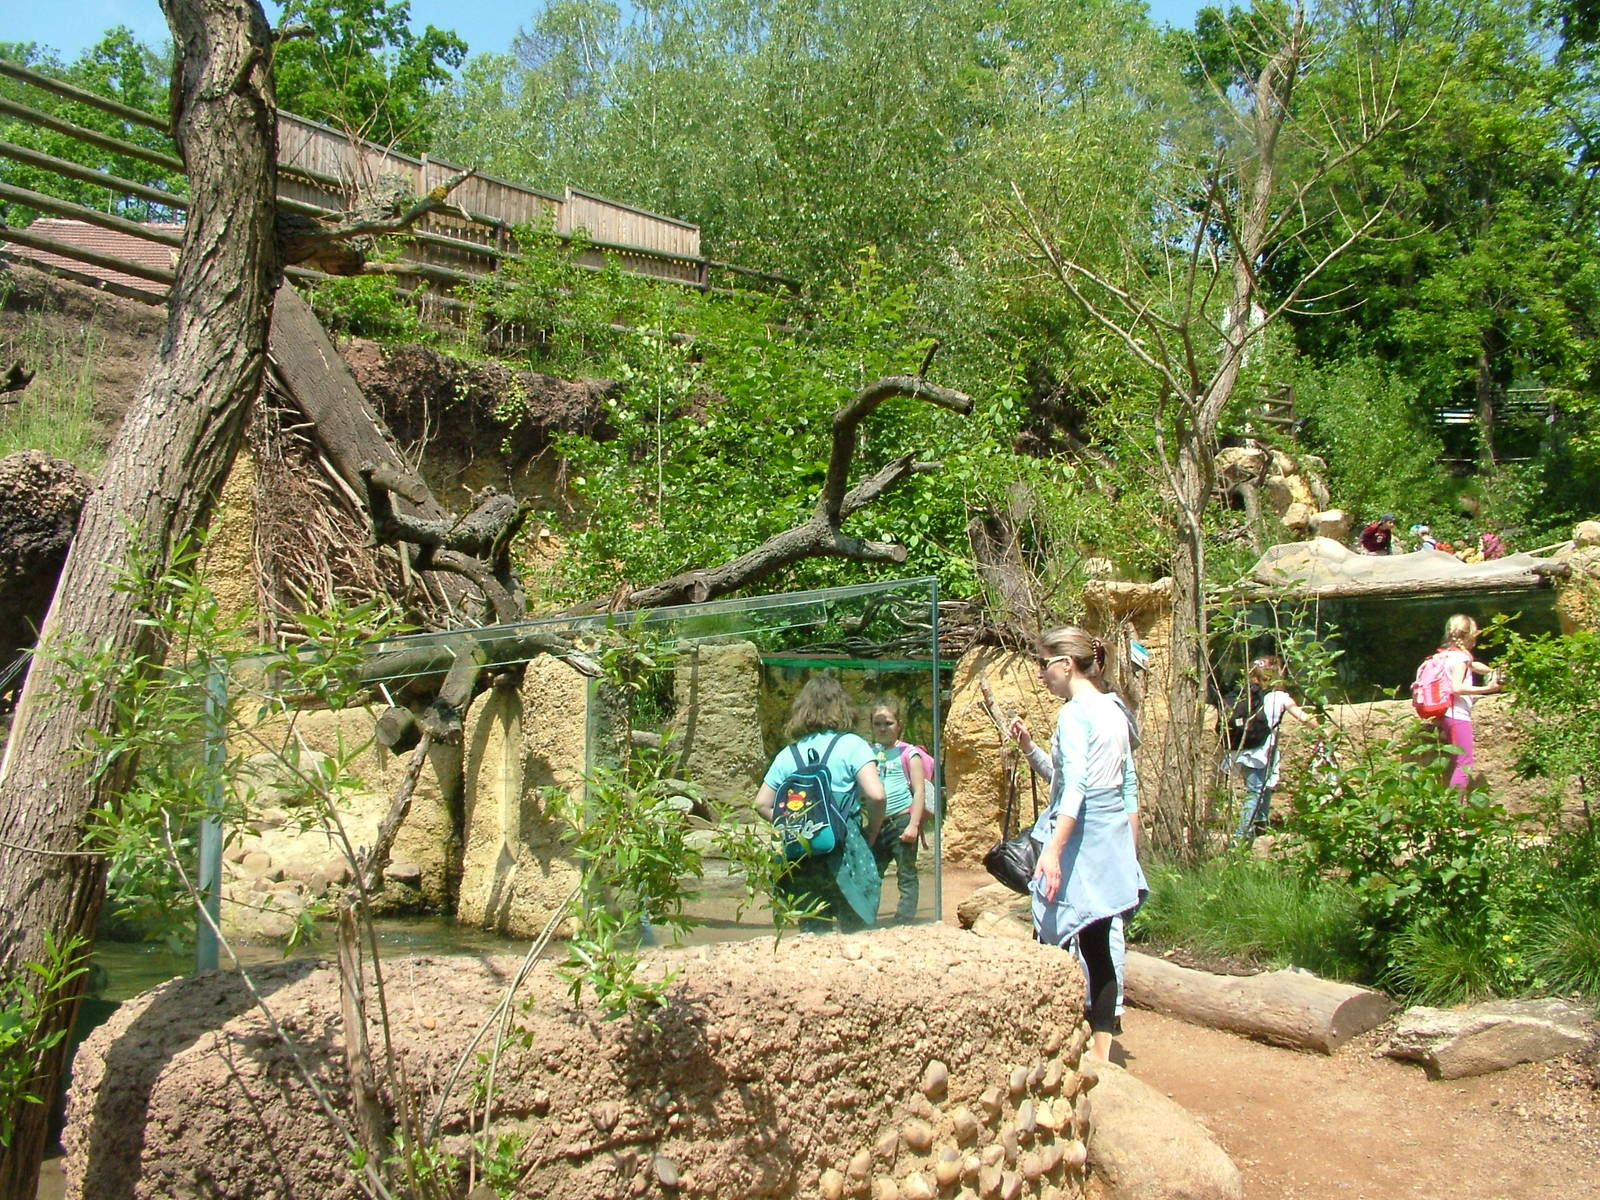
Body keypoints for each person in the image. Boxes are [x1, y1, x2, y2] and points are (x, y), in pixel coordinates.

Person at [1026, 626, 1146, 1062]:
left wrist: (1053, 850)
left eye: (1044, 664)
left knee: (1050, 933)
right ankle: (1101, 1051)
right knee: (1098, 943)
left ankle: (1049, 1041)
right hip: (1110, 833)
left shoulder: (1074, 714)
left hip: (1080, 834)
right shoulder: (1115, 708)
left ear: (1066, 664)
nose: (1042, 673)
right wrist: (1128, 848)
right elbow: (1127, 785)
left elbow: (1075, 787)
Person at [1010, 705, 1138, 1035]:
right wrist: (1029, 747)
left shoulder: (1100, 717)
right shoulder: (1080, 720)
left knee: (1102, 935)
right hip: (1067, 843)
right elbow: (1062, 781)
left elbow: (1125, 793)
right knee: (1054, 930)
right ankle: (1059, 1018)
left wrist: (1127, 855)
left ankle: (1104, 1018)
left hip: (1091, 845)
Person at [756, 675, 885, 931]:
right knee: (857, 930)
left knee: (813, 934)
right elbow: (877, 795)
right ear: (842, 706)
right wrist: (873, 830)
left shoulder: (788, 754)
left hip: (803, 851)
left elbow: (761, 803)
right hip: (845, 848)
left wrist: (793, 827)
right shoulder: (852, 745)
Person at [1228, 655, 1316, 843]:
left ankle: (1260, 825)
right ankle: (1240, 836)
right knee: (1256, 790)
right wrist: (1322, 729)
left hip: (1242, 748)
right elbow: (1303, 717)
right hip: (1261, 750)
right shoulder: (1280, 697)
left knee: (1264, 786)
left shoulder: (1244, 695)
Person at [867, 698, 927, 924]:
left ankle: (904, 920)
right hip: (876, 824)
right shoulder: (868, 753)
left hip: (901, 820)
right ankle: (866, 917)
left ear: (899, 725)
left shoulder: (909, 753)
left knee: (906, 873)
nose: (883, 728)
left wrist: (914, 824)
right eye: (878, 724)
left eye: (888, 723)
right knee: (871, 872)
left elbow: (919, 791)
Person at [1430, 614, 1502, 794]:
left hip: (1446, 713)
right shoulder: (1460, 658)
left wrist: (1492, 671)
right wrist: (1487, 688)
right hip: (1458, 715)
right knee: (1464, 763)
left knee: (1459, 761)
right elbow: (1457, 688)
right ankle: (1456, 807)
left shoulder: (1446, 654)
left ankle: (1454, 805)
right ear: (1469, 634)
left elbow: (1472, 665)